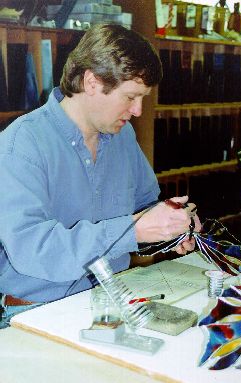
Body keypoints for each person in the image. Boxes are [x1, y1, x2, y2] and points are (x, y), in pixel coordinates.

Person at [0, 24, 201, 328]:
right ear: (91, 82)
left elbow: (143, 209)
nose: (137, 110)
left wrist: (169, 227)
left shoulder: (121, 137)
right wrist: (133, 231)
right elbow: (33, 250)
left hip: (113, 300)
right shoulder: (21, 144)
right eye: (131, 97)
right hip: (37, 311)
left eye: (143, 97)